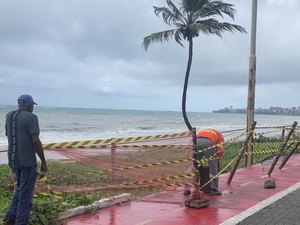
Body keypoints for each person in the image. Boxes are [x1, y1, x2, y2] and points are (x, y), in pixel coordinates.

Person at [3, 94, 47, 225]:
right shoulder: (32, 117)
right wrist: (43, 162)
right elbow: (35, 141)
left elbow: (10, 136)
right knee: (26, 195)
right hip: (27, 162)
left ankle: (10, 218)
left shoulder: (9, 115)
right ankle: (21, 222)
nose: (33, 107)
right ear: (28, 104)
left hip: (13, 160)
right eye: (33, 105)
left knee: (19, 190)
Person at [193, 128, 224, 196]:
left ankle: (192, 188)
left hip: (196, 140)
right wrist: (217, 160)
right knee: (213, 165)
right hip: (208, 142)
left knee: (195, 165)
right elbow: (220, 150)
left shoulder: (204, 131)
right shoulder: (220, 136)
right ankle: (214, 189)